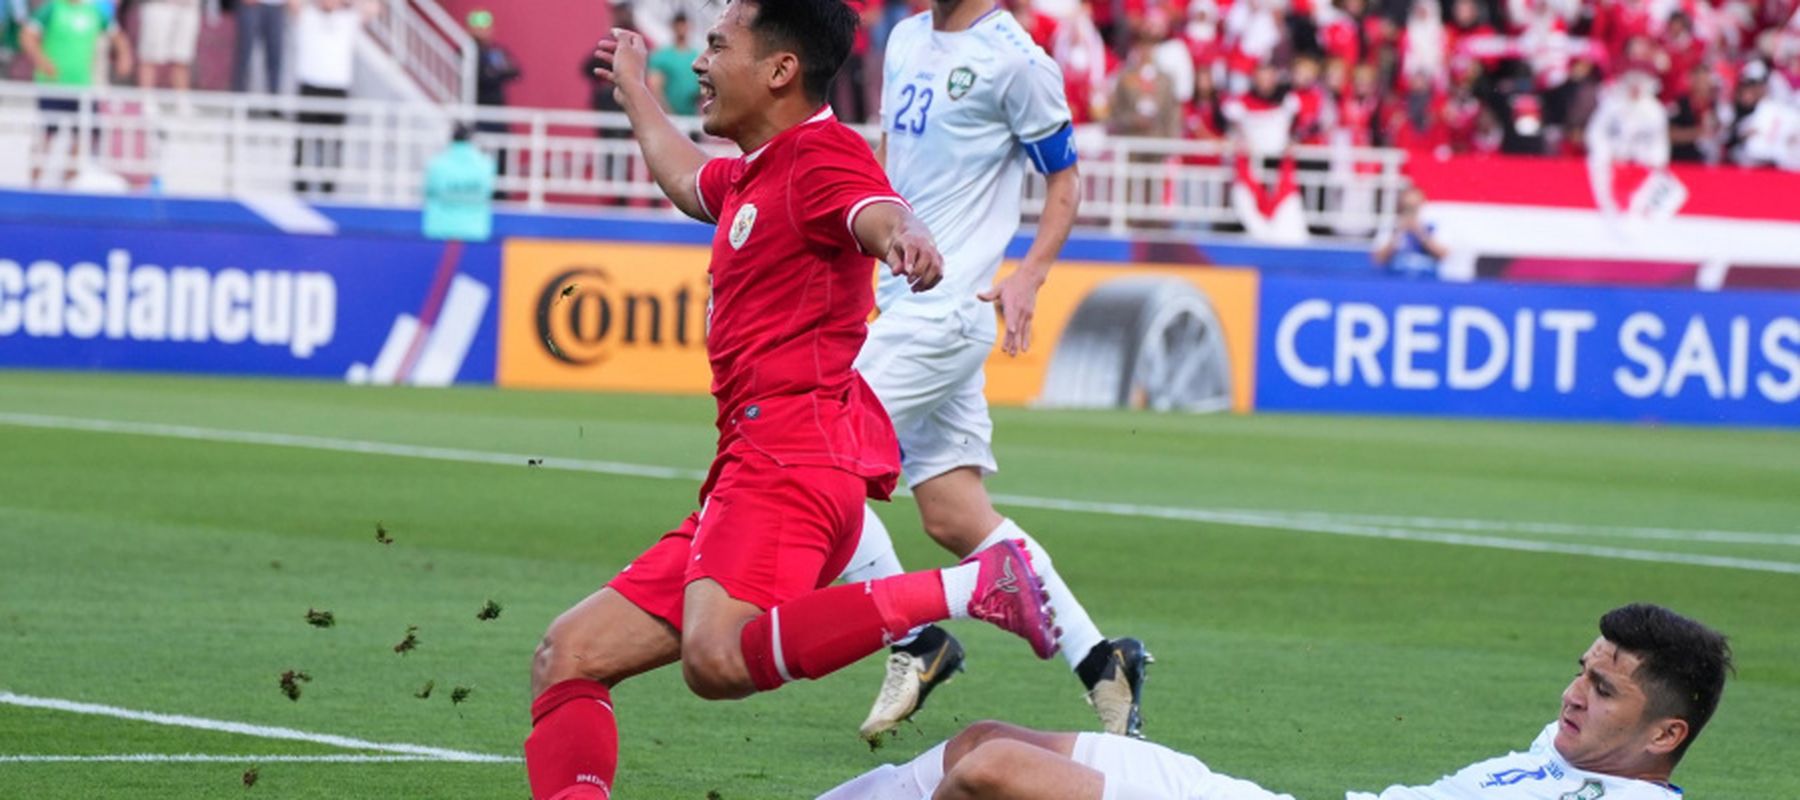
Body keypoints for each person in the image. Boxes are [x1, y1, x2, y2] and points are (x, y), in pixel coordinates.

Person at [525, 3, 1063, 799]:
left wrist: (903, 235)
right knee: (568, 654)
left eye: (717, 45)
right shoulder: (755, 169)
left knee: (717, 661)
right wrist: (636, 89)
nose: (701, 63)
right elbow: (683, 178)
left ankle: (973, 587)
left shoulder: (821, 156)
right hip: (754, 467)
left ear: (780, 70)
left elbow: (874, 209)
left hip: (790, 462)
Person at [839, 0, 1150, 746]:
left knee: (811, 460)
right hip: (903, 299)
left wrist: (1029, 276)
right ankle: (1103, 662)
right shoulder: (907, 35)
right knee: (952, 513)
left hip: (948, 310)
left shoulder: (1018, 61)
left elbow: (1065, 181)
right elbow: (894, 171)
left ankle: (917, 640)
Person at [818, 603, 1733, 800]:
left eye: (1602, 688)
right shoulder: (1567, 752)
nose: (1573, 693)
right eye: (1581, 669)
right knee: (982, 735)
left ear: (1668, 734)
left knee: (995, 775)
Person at [290, 0, 377, 194]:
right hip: (310, 86)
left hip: (337, 89)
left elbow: (373, 7)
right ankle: (300, 187)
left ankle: (328, 188)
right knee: (304, 140)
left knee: (333, 142)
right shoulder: (307, 15)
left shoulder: (348, 19)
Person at [422, 124, 497, 242]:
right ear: (472, 140)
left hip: (439, 230)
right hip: (475, 231)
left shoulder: (436, 164)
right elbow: (488, 192)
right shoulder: (485, 165)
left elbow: (428, 191)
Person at [136, 0, 218, 92]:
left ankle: (181, 101)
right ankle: (146, 99)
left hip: (188, 7)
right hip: (159, 5)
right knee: (150, 56)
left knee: (183, 57)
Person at [1372, 187, 1447, 277]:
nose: (1411, 211)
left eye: (1414, 207)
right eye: (1408, 207)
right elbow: (1379, 259)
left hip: (1426, 278)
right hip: (1396, 277)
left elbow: (1443, 254)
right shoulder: (1391, 226)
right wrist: (1398, 233)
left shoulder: (1432, 224)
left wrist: (1421, 233)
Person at [647, 11, 700, 115]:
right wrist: (669, 115)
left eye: (683, 24)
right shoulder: (661, 56)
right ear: (672, 26)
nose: (681, 27)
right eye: (678, 24)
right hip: (669, 117)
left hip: (693, 119)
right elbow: (655, 88)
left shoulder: (697, 56)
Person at [232, 0, 287, 94]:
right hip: (252, 6)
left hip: (277, 5)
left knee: (275, 59)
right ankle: (238, 103)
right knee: (244, 57)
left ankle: (273, 104)